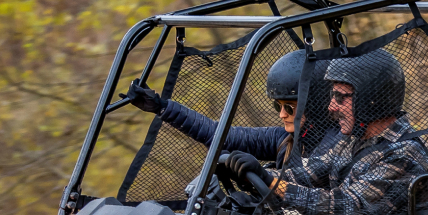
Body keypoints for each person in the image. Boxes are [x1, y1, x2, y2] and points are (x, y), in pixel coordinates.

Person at [225, 48, 428, 215]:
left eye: (340, 97)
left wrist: (275, 186)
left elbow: (347, 206)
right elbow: (311, 173)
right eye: (332, 96)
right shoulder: (355, 139)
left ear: (371, 98)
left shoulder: (403, 155)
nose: (331, 106)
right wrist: (259, 175)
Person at [127, 50, 336, 169]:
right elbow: (219, 135)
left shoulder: (338, 147)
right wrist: (162, 107)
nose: (282, 114)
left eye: (289, 107)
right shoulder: (285, 141)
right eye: (278, 106)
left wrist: (264, 177)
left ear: (315, 105)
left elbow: (308, 191)